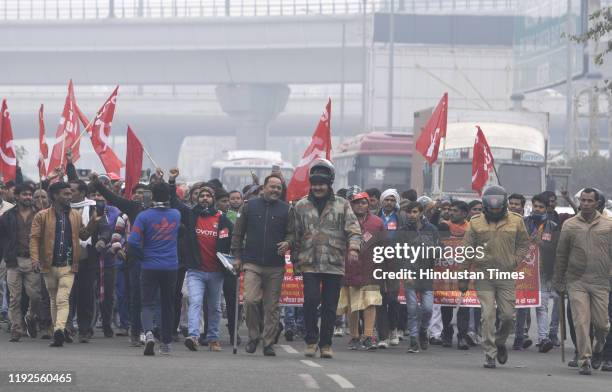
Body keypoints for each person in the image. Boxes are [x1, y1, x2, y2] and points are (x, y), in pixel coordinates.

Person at [289, 159, 361, 359]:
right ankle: (311, 341)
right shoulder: (301, 206)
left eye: (322, 184)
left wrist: (353, 248)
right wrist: (295, 262)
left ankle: (326, 344)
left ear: (329, 183)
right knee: (311, 301)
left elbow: (354, 230)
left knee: (330, 306)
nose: (318, 187)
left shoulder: (343, 205)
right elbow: (294, 235)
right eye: (314, 184)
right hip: (309, 262)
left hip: (334, 263)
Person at [29, 182, 105, 347]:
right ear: (55, 196)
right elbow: (34, 239)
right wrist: (35, 260)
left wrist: (94, 223)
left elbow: (84, 236)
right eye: (66, 194)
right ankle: (59, 329)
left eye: (71, 194)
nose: (70, 197)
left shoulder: (75, 215)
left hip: (69, 265)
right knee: (53, 298)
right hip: (48, 265)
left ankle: (58, 330)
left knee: (62, 299)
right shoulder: (41, 216)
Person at [462, 185, 530, 369]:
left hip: (505, 274)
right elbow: (467, 250)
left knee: (508, 316)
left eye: (498, 208)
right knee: (488, 315)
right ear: (485, 206)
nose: (494, 210)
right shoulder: (475, 222)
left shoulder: (516, 221)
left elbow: (524, 243)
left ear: (504, 205)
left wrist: (515, 260)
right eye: (491, 208)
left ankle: (500, 342)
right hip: (484, 274)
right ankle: (490, 353)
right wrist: (463, 277)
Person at [168, 170, 233, 353]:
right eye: (202, 195)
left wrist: (236, 259)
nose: (204, 198)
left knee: (214, 308)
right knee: (194, 302)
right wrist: (172, 181)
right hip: (196, 270)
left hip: (216, 271)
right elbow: (174, 201)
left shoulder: (223, 220)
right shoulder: (190, 216)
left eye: (208, 196)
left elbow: (233, 241)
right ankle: (194, 336)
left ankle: (213, 338)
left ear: (213, 199)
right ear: (197, 199)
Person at [231, 174, 292, 356]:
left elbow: (292, 234)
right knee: (250, 301)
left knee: (271, 306)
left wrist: (288, 243)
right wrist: (237, 257)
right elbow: (238, 233)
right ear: (264, 187)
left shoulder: (287, 210)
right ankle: (253, 336)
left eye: (278, 188)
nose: (275, 190)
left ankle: (268, 342)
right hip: (252, 263)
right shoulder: (249, 206)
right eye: (272, 187)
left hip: (275, 265)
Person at [553, 188, 612, 375]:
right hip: (576, 281)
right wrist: (558, 280)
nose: (585, 204)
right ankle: (584, 359)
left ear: (597, 203)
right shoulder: (569, 225)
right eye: (583, 200)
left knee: (602, 324)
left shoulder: (608, 225)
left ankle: (598, 348)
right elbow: (561, 254)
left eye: (589, 201)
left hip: (601, 282)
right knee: (581, 321)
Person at [128, 182, 181, 356]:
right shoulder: (176, 215)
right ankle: (165, 343)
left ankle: (149, 333)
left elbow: (133, 241)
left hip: (149, 265)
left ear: (151, 196)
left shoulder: (144, 216)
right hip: (171, 266)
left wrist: (142, 256)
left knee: (147, 303)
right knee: (167, 305)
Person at [337, 186, 384, 351]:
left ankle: (369, 336)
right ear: (351, 204)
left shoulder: (377, 223)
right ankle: (354, 336)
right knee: (352, 305)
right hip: (349, 267)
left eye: (363, 202)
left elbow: (384, 246)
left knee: (371, 303)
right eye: (356, 203)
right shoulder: (344, 221)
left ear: (368, 204)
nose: (360, 206)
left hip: (371, 268)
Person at [513, 193, 559, 353]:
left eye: (541, 207)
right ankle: (519, 337)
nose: (537, 209)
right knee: (522, 306)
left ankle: (543, 338)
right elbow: (515, 242)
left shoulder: (553, 226)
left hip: (544, 272)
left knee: (542, 305)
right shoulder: (524, 222)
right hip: (525, 270)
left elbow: (557, 249)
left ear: (547, 208)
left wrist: (542, 245)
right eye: (535, 206)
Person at [397, 201, 439, 353]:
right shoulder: (402, 231)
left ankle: (423, 331)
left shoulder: (432, 229)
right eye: (409, 212)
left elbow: (440, 249)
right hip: (410, 274)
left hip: (426, 274)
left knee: (427, 309)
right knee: (412, 309)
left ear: (421, 213)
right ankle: (413, 341)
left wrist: (435, 250)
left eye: (415, 212)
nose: (411, 215)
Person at [0, 184, 41, 342]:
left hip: (33, 260)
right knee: (14, 298)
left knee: (35, 296)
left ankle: (30, 317)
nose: (28, 197)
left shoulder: (40, 214)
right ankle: (16, 328)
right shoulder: (7, 216)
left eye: (30, 194)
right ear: (16, 196)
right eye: (24, 194)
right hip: (13, 261)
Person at [437, 200, 472, 350]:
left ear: (464, 214)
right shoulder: (443, 225)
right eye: (450, 210)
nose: (451, 213)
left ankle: (462, 336)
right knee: (446, 304)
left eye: (455, 211)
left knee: (463, 305)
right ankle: (447, 333)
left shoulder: (471, 228)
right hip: (446, 271)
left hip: (464, 272)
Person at [377, 188, 403, 348]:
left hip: (395, 262)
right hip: (377, 262)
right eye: (387, 199)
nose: (389, 203)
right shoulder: (374, 216)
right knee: (379, 299)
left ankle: (394, 328)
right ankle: (382, 336)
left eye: (392, 200)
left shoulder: (401, 218)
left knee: (392, 299)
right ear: (382, 201)